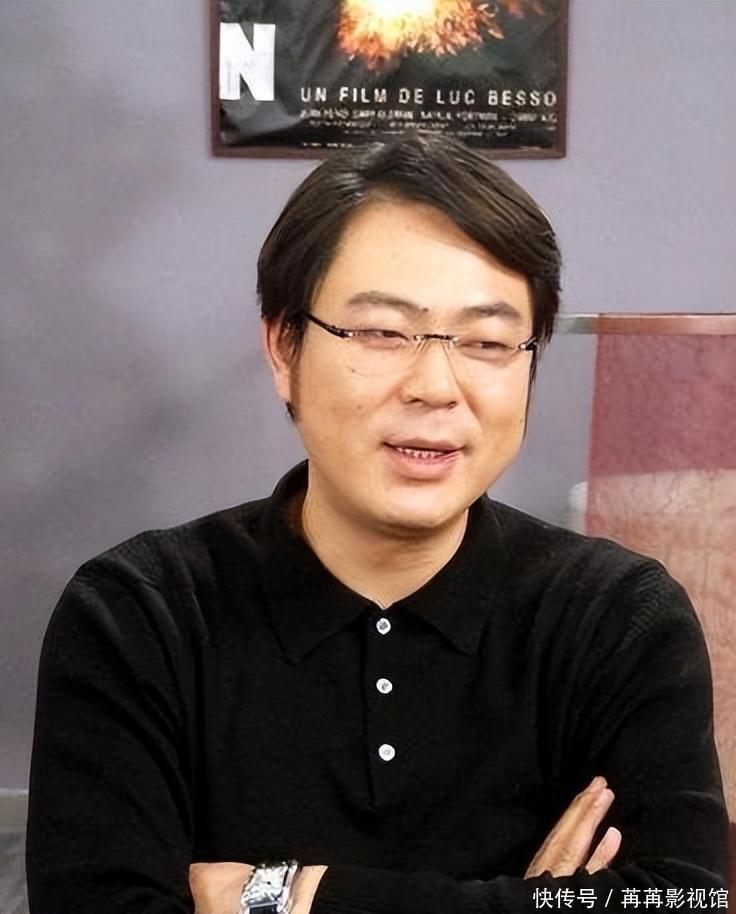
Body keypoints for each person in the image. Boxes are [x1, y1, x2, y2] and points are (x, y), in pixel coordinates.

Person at [26, 133, 728, 914]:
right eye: (382, 333)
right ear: (284, 347)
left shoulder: (618, 618)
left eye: (488, 341)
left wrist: (289, 895)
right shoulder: (138, 614)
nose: (436, 386)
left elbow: (681, 902)